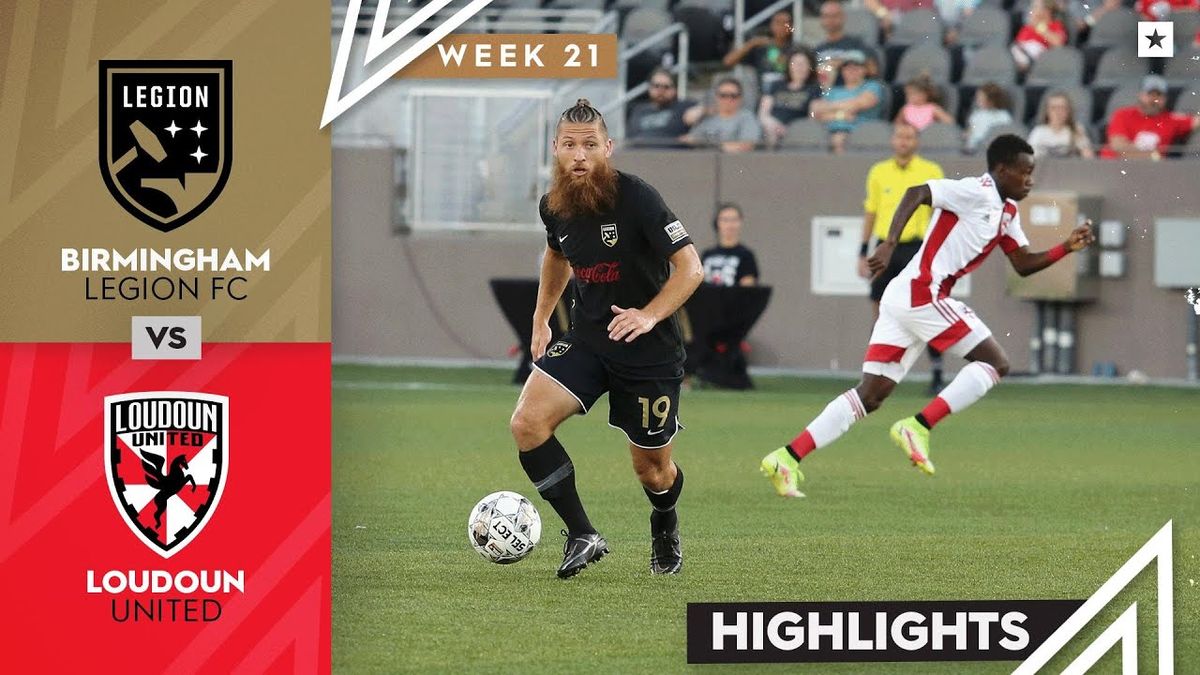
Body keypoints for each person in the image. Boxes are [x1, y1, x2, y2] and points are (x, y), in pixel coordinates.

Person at [760, 135, 1095, 497]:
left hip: (906, 298)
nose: (1030, 180)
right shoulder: (975, 191)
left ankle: (786, 458)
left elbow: (1023, 264)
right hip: (923, 293)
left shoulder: (1008, 213)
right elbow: (917, 192)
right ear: (1001, 170)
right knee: (996, 363)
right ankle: (918, 426)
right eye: (1024, 172)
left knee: (870, 396)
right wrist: (889, 242)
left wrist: (1067, 246)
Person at [511, 99, 703, 577]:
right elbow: (557, 256)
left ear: (608, 149)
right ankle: (582, 533)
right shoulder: (552, 204)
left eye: (590, 145)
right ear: (555, 149)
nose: (580, 155)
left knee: (653, 472)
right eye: (570, 146)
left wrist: (649, 315)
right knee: (527, 424)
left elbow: (690, 268)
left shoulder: (637, 198)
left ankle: (664, 522)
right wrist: (540, 319)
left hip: (649, 354)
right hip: (589, 339)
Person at [860, 122, 947, 393]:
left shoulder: (930, 171)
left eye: (909, 137)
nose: (903, 141)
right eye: (899, 136)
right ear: (892, 140)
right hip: (886, 247)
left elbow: (940, 213)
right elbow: (871, 212)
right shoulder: (878, 172)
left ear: (916, 141)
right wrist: (863, 251)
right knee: (879, 306)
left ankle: (936, 371)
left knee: (926, 308)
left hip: (917, 248)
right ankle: (877, 371)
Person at [1101, 75, 1200, 160]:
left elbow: (1195, 121)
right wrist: (1153, 156)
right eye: (1150, 95)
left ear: (1165, 99)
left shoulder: (1171, 119)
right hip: (1113, 167)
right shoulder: (1122, 114)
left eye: (1159, 95)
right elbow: (1119, 147)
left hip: (1150, 173)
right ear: (1140, 95)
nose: (1154, 100)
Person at [809, 53, 885, 154]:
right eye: (847, 68)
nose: (851, 70)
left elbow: (857, 105)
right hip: (827, 131)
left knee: (838, 139)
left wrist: (829, 108)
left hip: (860, 132)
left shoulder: (872, 86)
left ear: (864, 69)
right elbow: (815, 112)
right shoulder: (833, 91)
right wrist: (841, 115)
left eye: (856, 67)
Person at [759, 48, 823, 148]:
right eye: (795, 63)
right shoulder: (776, 85)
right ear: (789, 66)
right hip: (771, 129)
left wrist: (791, 130)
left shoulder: (814, 89)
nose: (799, 67)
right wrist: (773, 125)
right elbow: (763, 113)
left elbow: (812, 117)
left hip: (799, 132)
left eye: (803, 64)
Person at [685, 78, 764, 153]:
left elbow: (746, 146)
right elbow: (691, 139)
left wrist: (712, 145)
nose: (728, 100)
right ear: (716, 97)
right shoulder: (707, 117)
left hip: (733, 163)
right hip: (700, 162)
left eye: (733, 96)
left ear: (740, 98)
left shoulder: (747, 118)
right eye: (723, 95)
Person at [627, 68, 704, 143]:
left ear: (675, 90)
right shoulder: (638, 110)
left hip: (671, 154)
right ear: (649, 88)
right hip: (637, 153)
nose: (661, 90)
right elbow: (629, 138)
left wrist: (702, 109)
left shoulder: (685, 106)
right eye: (656, 86)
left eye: (666, 87)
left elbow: (713, 105)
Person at [723, 10, 794, 90]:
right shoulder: (761, 48)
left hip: (787, 95)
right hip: (764, 97)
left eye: (785, 23)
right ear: (771, 25)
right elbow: (728, 61)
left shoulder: (795, 49)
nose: (782, 26)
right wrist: (751, 43)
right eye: (778, 22)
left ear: (791, 26)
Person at [702, 203, 760, 287]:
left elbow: (748, 288)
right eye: (725, 220)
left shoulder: (746, 255)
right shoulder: (707, 255)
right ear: (717, 223)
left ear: (740, 222)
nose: (730, 225)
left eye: (734, 220)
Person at [1028, 91, 1094, 158]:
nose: (1058, 112)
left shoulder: (1076, 129)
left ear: (1069, 111)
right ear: (1047, 111)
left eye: (1062, 108)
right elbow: (1030, 156)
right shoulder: (1039, 131)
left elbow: (1088, 156)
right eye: (1054, 108)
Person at [814, 1, 873, 74]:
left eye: (834, 16)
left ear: (843, 17)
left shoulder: (857, 44)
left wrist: (845, 63)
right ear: (821, 19)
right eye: (826, 16)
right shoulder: (817, 49)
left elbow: (872, 70)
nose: (830, 20)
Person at [1011, 0, 1068, 73]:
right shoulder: (1028, 27)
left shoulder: (1056, 25)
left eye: (1036, 7)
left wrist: (1039, 26)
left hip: (1042, 59)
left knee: (1034, 47)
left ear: (1047, 10)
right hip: (1020, 56)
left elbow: (1058, 43)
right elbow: (1019, 44)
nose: (1032, 10)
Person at [964, 82, 1014, 153]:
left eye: (981, 99)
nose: (977, 101)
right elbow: (971, 129)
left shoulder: (1003, 116)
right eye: (977, 98)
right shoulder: (976, 115)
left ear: (991, 101)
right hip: (972, 149)